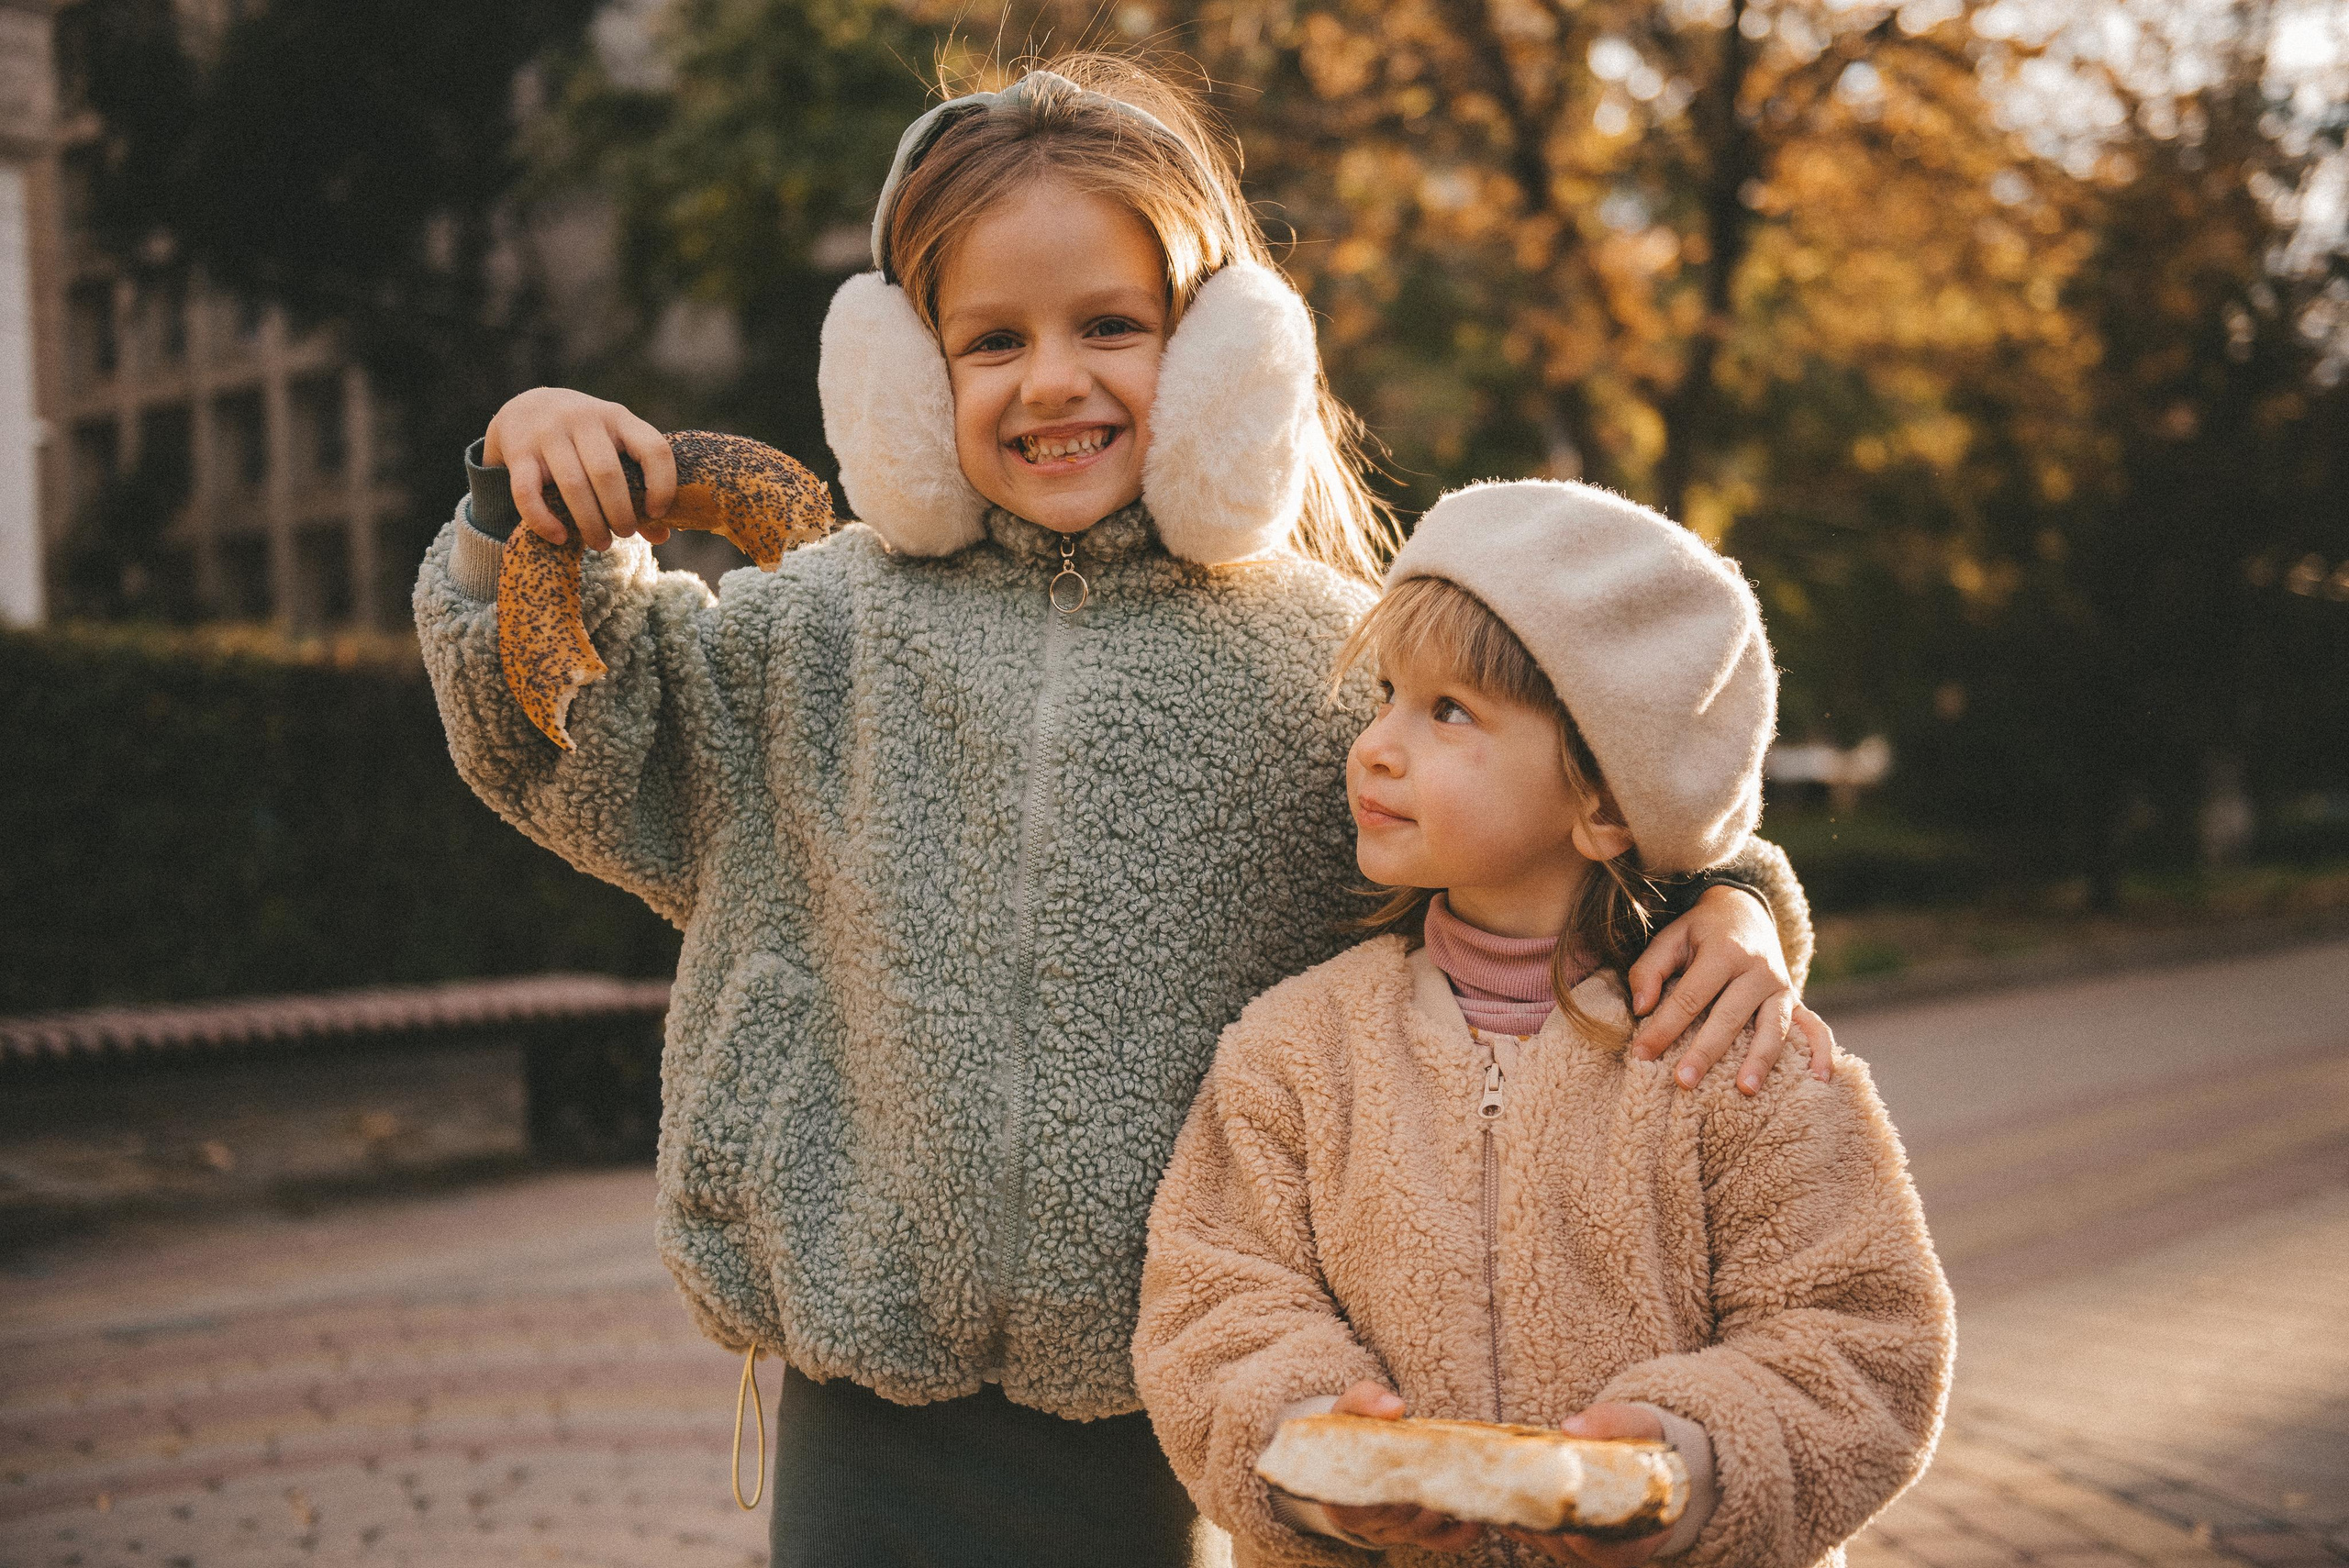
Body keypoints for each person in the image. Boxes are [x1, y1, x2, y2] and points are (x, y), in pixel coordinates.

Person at [412, 55, 1829, 1568]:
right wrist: (516, 499)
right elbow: (569, 740)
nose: (1051, 381)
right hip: (864, 1390)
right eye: (992, 339)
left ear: (1222, 354)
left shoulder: (1326, 664)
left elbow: (1556, 805)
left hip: (1198, 1387)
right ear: (906, 373)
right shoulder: (813, 637)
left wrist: (1732, 896)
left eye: (1110, 326)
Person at [1135, 480, 1954, 1568]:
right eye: (1386, 694)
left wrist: (1684, 1461)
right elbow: (1214, 1301)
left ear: (1604, 800)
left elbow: (1860, 1338)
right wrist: (1314, 1449)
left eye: (1449, 711)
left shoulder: (1737, 1056)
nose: (1375, 745)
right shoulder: (1293, 1052)